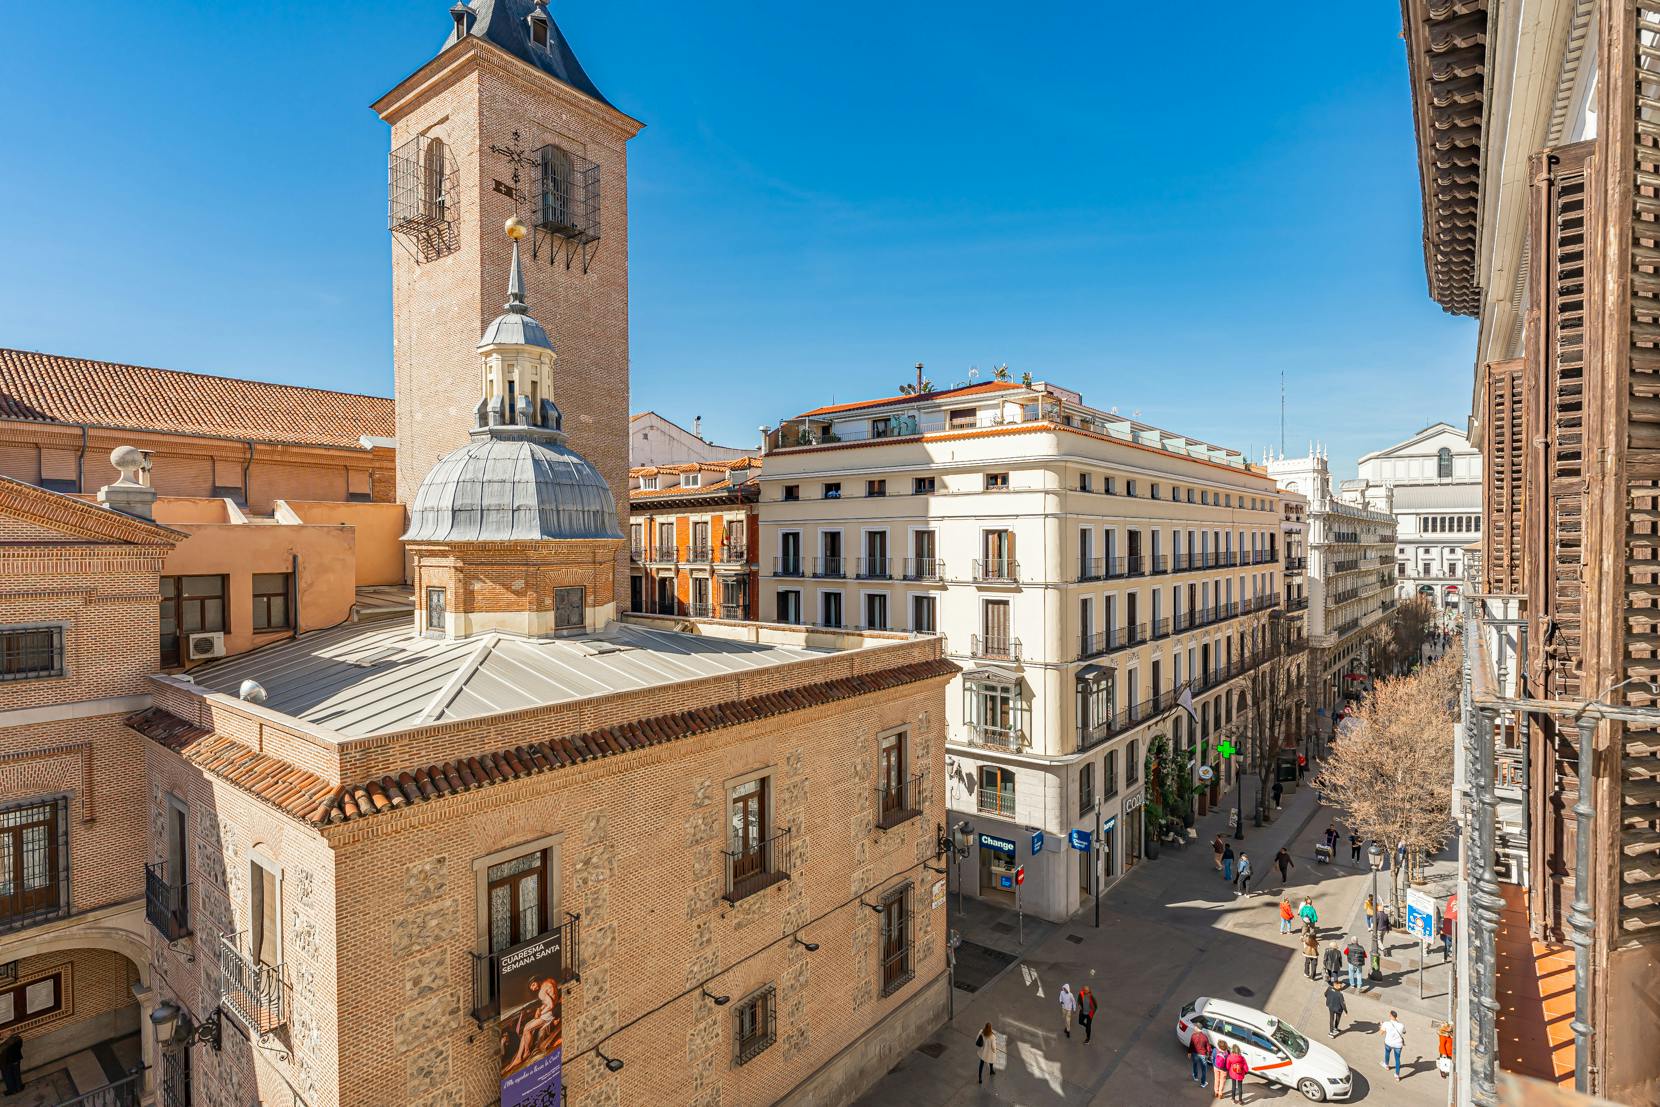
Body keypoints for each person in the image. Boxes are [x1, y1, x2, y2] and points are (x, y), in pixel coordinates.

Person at [1380, 1010, 1406, 1081]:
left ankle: (1386, 1065)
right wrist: (1398, 1023)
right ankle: (1397, 1075)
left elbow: (1381, 1033)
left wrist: (1381, 1025)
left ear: (1391, 1016)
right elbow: (1404, 1032)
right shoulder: (1401, 1025)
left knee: (1387, 1053)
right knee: (1397, 1059)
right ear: (1396, 1017)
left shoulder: (1386, 1023)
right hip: (1398, 1045)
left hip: (1388, 1043)